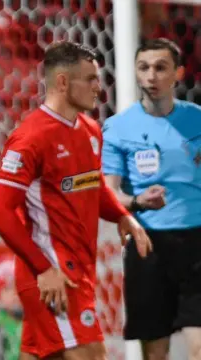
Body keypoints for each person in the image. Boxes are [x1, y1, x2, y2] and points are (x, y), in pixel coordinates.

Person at [0, 41, 152, 360]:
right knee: (91, 354)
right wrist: (43, 268)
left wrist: (122, 215)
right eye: (89, 78)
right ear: (62, 82)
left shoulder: (90, 130)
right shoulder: (30, 137)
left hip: (78, 273)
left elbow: (95, 186)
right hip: (54, 276)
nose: (98, 86)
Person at [102, 38, 201, 360]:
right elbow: (107, 193)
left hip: (197, 243)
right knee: (155, 351)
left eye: (160, 68)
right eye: (144, 68)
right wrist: (138, 202)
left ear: (178, 73)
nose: (151, 76)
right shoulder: (118, 128)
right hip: (148, 245)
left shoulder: (197, 119)